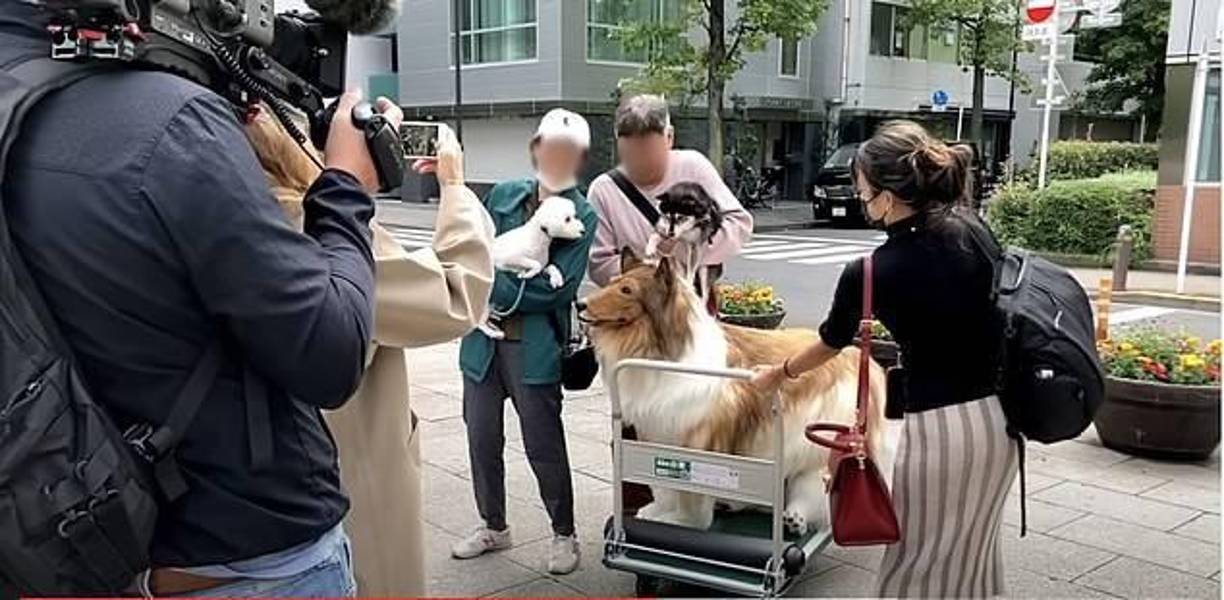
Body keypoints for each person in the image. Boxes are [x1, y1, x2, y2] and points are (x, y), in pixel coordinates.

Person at [1, 2, 393, 595]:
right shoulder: (171, 122)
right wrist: (345, 187)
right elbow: (331, 351)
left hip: (66, 538)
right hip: (246, 554)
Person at [751, 120, 1017, 599]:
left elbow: (831, 342)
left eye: (863, 192)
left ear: (888, 198)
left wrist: (778, 373)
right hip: (1001, 423)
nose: (861, 200)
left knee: (914, 559)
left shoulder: (872, 271)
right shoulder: (973, 230)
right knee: (972, 554)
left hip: (942, 429)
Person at [244, 111, 495, 596]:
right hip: (342, 481)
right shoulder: (312, 229)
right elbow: (457, 290)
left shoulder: (210, 219)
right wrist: (455, 184)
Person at [454, 109, 598, 575]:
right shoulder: (504, 194)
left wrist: (487, 290)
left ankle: (564, 533)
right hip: (481, 345)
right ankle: (493, 524)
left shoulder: (582, 212)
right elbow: (472, 250)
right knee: (481, 437)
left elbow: (556, 288)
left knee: (543, 443)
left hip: (534, 348)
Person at [586, 94, 753, 296]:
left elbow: (739, 223)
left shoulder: (693, 166)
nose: (641, 165)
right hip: (638, 311)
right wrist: (654, 268)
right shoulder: (603, 191)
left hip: (692, 303)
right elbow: (599, 265)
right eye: (631, 155)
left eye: (650, 155)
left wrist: (685, 249)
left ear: (670, 137)